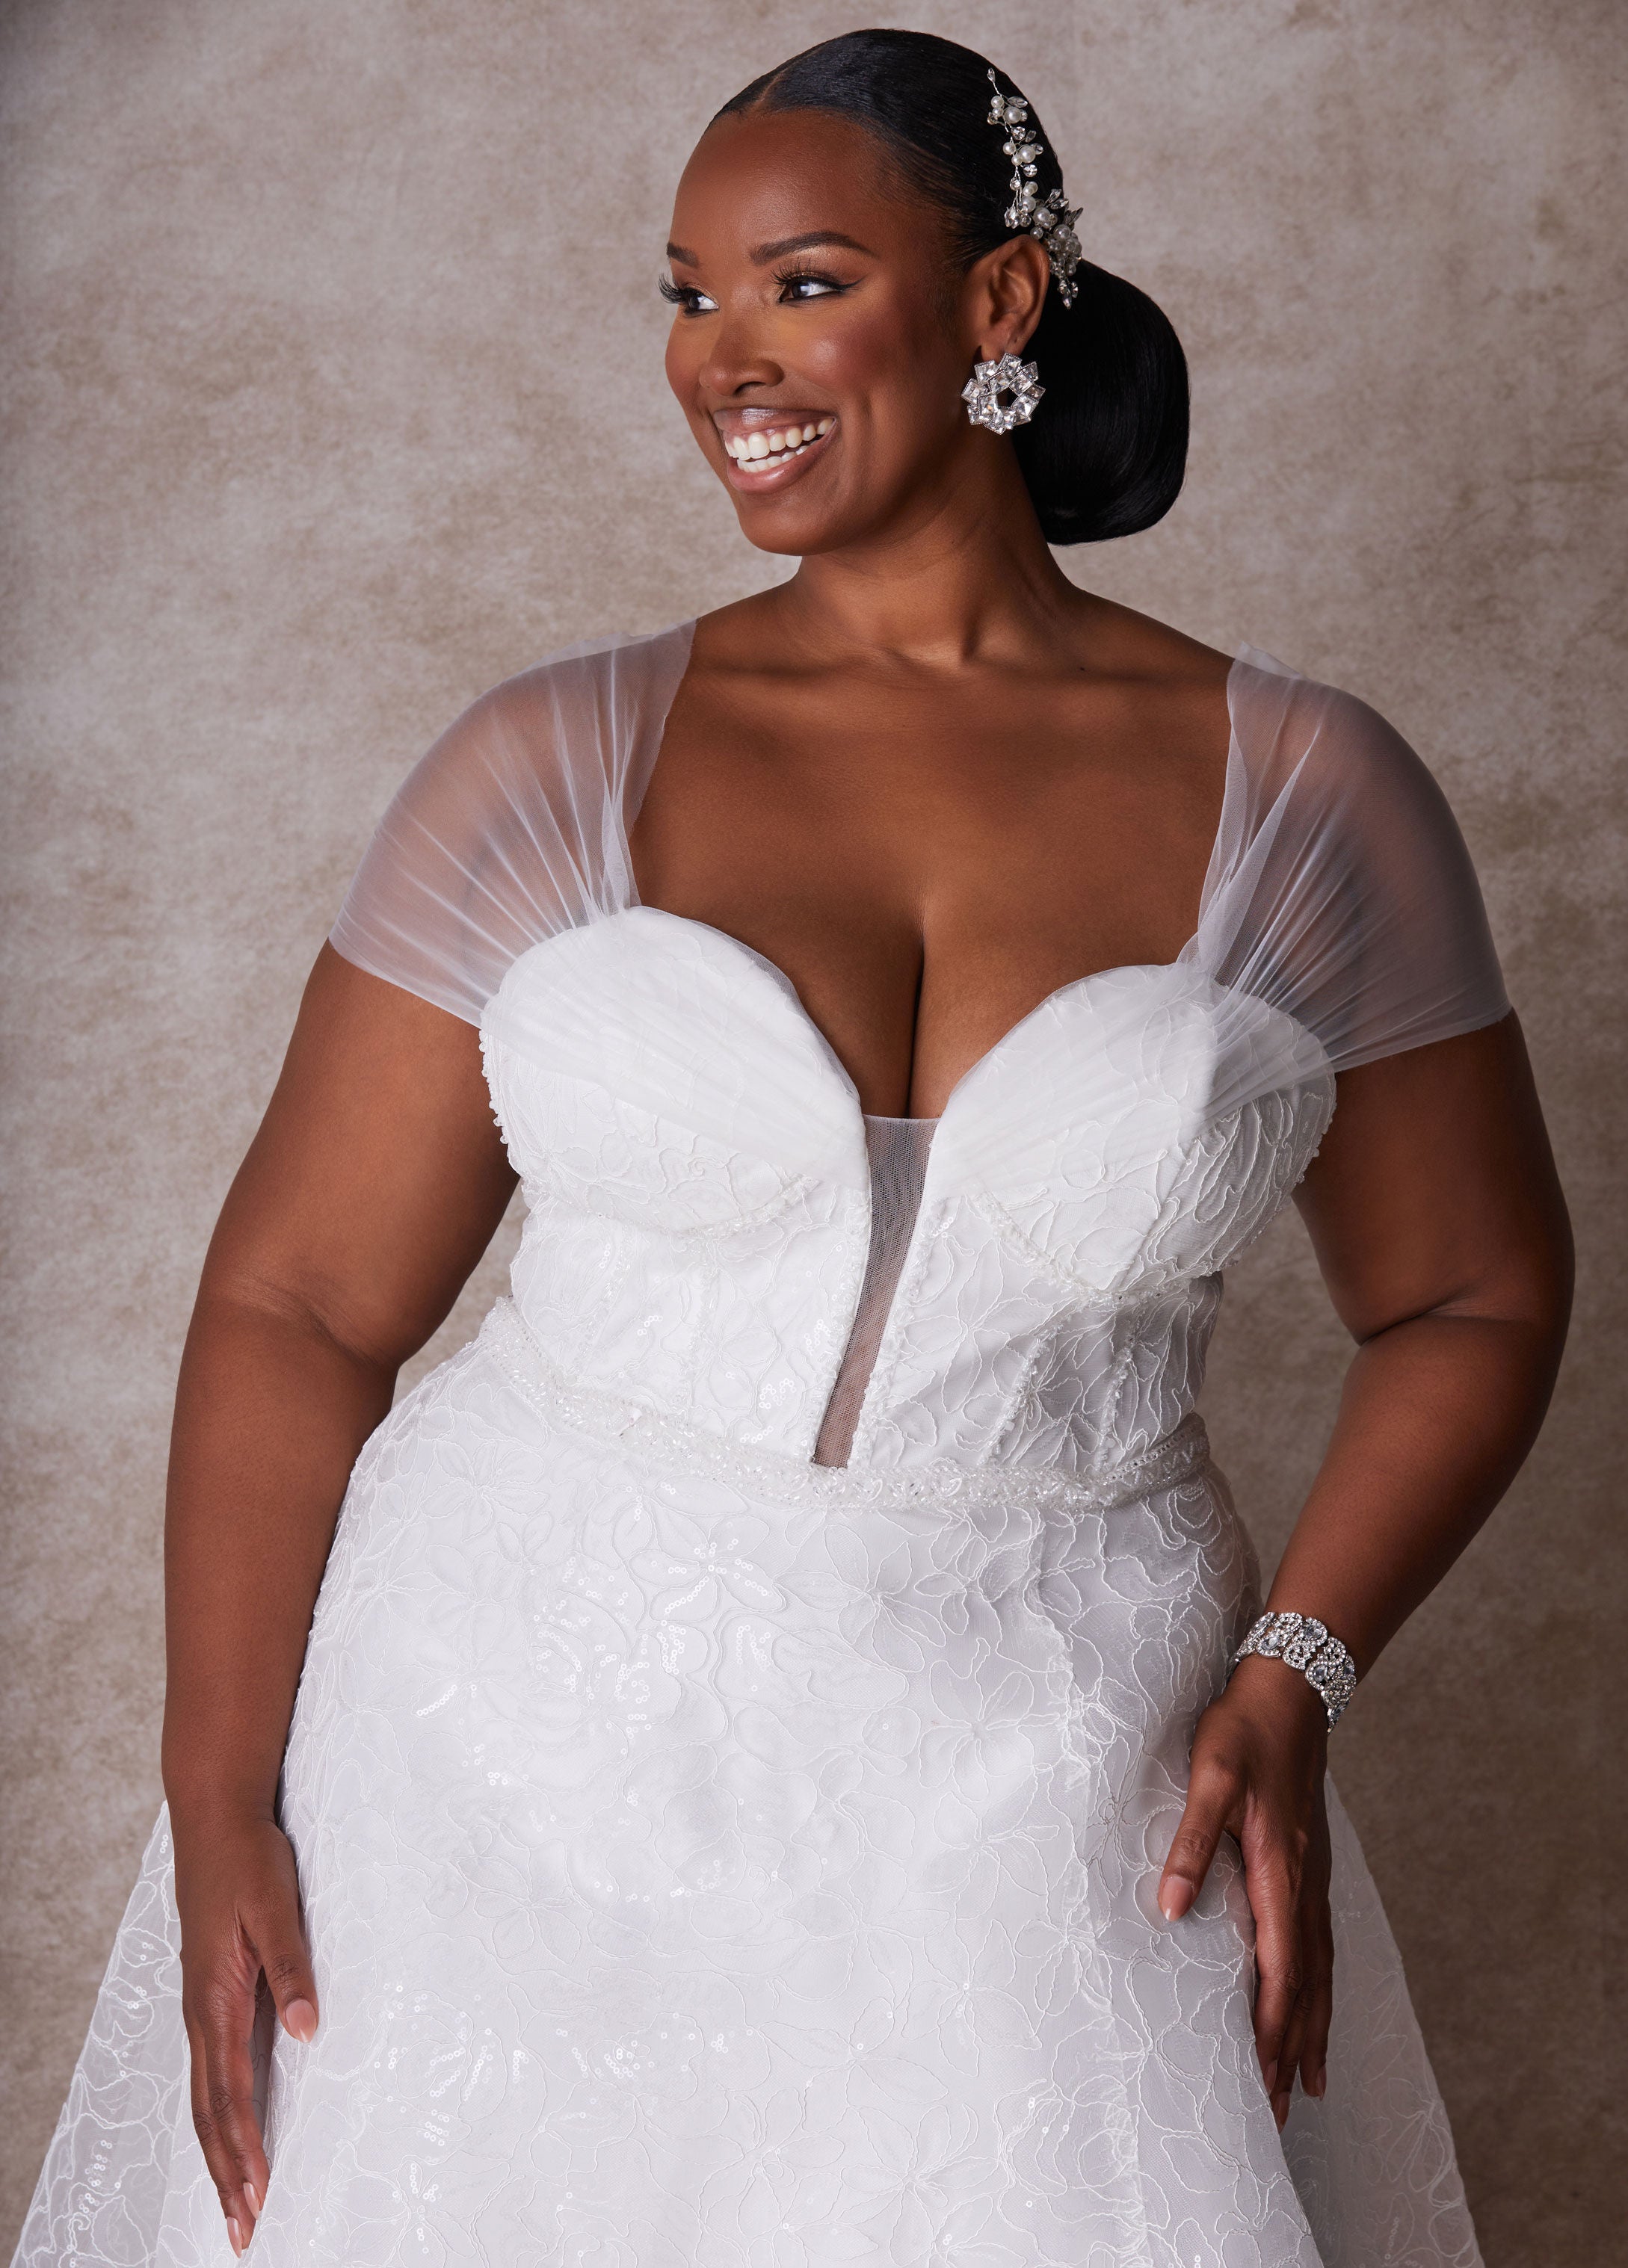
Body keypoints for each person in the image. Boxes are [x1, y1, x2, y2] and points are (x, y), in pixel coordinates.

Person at [16, 27, 1570, 2268]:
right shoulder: (551, 760)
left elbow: (1473, 1293)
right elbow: (301, 1302)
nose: (721, 359)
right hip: (500, 1754)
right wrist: (220, 1790)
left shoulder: (1305, 794)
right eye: (688, 297)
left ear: (1000, 300)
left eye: (802, 284)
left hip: (1057, 1767)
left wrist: (1293, 1670)